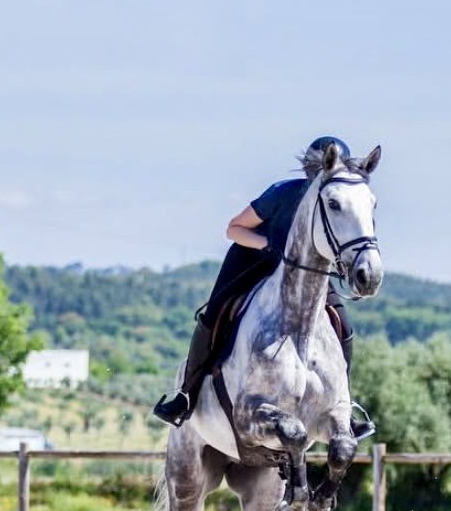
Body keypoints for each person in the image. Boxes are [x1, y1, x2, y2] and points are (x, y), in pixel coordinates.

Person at [152, 136, 375, 441]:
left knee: (343, 326)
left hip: (307, 276)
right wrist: (269, 244)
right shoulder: (283, 193)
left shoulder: (336, 200)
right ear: (314, 170)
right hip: (257, 260)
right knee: (214, 314)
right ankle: (186, 395)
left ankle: (344, 408)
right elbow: (234, 228)